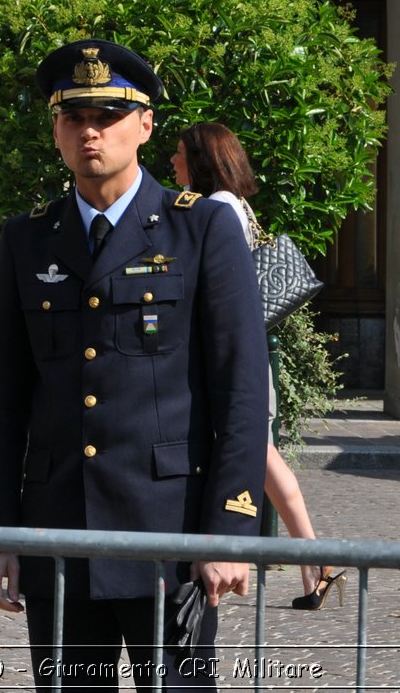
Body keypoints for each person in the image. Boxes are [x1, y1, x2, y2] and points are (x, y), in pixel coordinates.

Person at [0, 40, 269, 690]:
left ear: (145, 125)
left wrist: (230, 524)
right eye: (75, 118)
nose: (90, 132)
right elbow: (4, 398)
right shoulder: (29, 237)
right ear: (56, 130)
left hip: (170, 532)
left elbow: (241, 387)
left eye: (107, 115)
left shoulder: (201, 230)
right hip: (61, 533)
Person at [169, 122, 344, 611]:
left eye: (180, 154)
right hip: (246, 350)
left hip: (236, 356)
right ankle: (315, 567)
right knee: (265, 463)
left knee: (263, 458)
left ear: (201, 159)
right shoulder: (232, 203)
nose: (173, 162)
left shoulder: (217, 207)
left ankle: (313, 564)